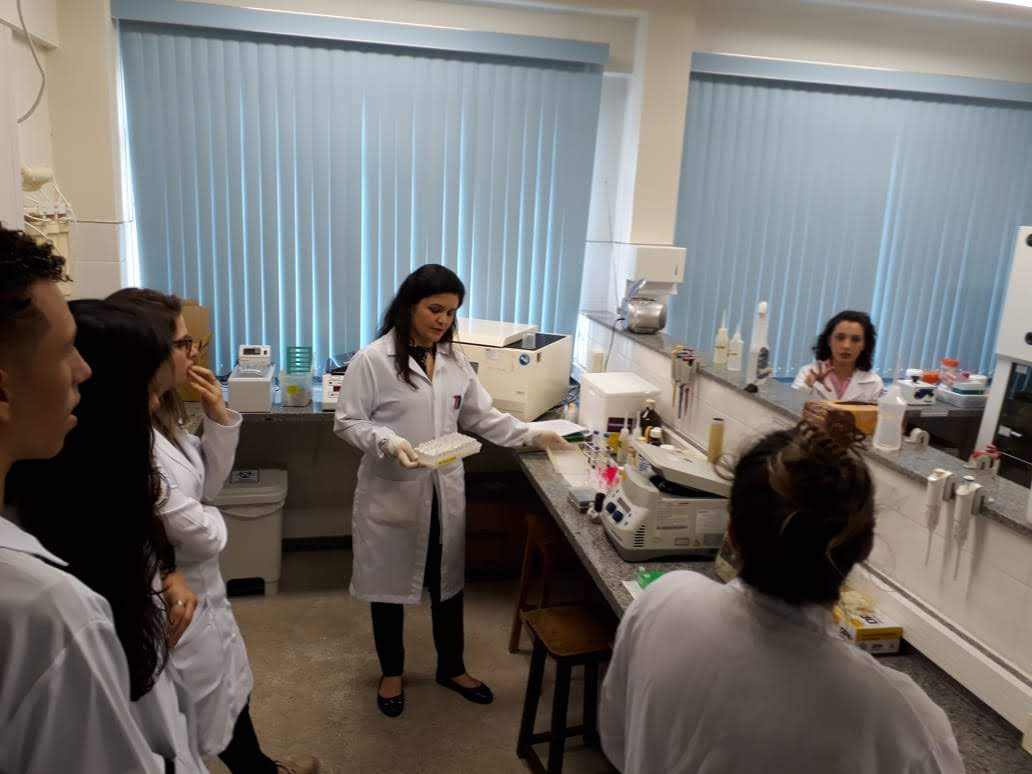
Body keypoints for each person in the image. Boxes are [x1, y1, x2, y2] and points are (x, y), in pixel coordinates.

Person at [599, 422, 964, 774]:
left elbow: (616, 739)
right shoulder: (903, 723)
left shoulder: (663, 600)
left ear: (732, 534)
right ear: (864, 548)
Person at [334, 264, 565, 718]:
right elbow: (348, 421)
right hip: (394, 491)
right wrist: (388, 441)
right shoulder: (373, 360)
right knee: (388, 587)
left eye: (451, 312)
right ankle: (392, 672)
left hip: (444, 489)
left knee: (448, 585)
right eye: (435, 309)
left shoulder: (455, 362)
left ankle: (452, 668)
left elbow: (483, 417)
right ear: (409, 306)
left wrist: (533, 435)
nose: (443, 320)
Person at [109, 288, 319, 774]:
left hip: (200, 590)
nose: (194, 352)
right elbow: (202, 534)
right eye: (184, 344)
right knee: (191, 718)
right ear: (147, 353)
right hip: (174, 602)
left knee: (229, 693)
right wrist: (207, 515)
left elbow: (209, 486)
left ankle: (261, 767)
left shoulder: (161, 413)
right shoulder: (127, 437)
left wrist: (219, 419)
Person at [6, 297, 207, 773]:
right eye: (66, 350)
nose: (81, 371)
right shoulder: (52, 604)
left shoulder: (91, 512)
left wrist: (164, 568)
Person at [793, 310, 884, 402]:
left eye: (855, 340)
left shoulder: (874, 382)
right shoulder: (807, 372)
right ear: (829, 341)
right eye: (840, 338)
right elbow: (793, 406)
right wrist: (807, 385)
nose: (846, 346)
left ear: (864, 345)